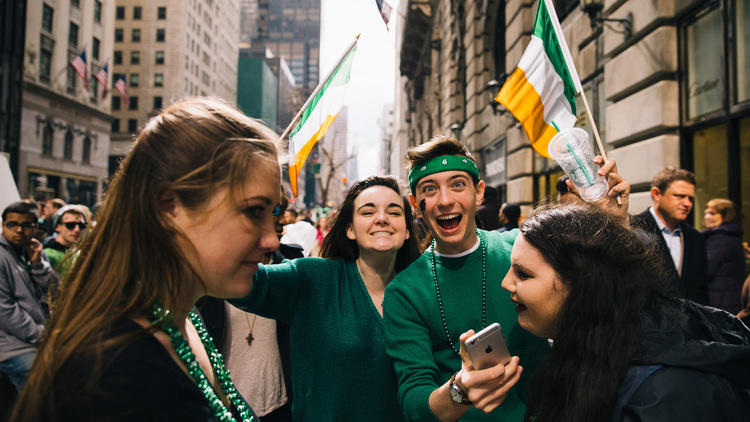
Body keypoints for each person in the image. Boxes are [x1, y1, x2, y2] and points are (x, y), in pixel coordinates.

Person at [11, 98, 281, 421]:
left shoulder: (184, 319)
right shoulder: (115, 374)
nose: (272, 239)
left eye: (273, 212)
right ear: (169, 207)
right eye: (253, 211)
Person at [383, 135, 630, 422]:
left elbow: (607, 290)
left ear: (479, 193)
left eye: (458, 185)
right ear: (416, 204)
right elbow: (414, 404)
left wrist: (617, 223)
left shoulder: (523, 248)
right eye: (430, 189)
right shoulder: (404, 292)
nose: (445, 200)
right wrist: (460, 389)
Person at [501, 204, 750, 421]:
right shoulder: (590, 351)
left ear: (581, 284)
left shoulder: (667, 394)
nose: (506, 283)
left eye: (523, 274)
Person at [229, 176, 422, 422]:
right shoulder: (311, 278)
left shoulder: (422, 290)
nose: (382, 218)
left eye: (394, 212)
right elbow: (238, 278)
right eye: (367, 211)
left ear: (407, 230)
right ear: (349, 229)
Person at [630, 168, 708, 304]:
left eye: (691, 198)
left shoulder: (696, 238)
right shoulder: (632, 230)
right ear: (656, 194)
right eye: (680, 196)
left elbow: (701, 290)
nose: (687, 203)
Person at [0, 201, 54, 392]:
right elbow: (5, 311)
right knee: (44, 389)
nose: (19, 230)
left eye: (26, 225)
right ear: (3, 225)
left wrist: (38, 264)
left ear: (36, 227)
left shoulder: (35, 251)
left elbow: (54, 290)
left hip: (36, 338)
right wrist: (41, 335)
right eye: (12, 224)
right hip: (11, 345)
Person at [701, 198, 745, 314]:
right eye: (706, 213)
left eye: (712, 213)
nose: (706, 217)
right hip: (725, 300)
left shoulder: (720, 238)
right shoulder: (730, 236)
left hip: (719, 302)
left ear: (725, 216)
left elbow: (706, 270)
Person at [42, 205, 87, 272]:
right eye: (70, 225)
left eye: (81, 226)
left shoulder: (81, 254)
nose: (77, 230)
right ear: (57, 226)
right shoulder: (46, 255)